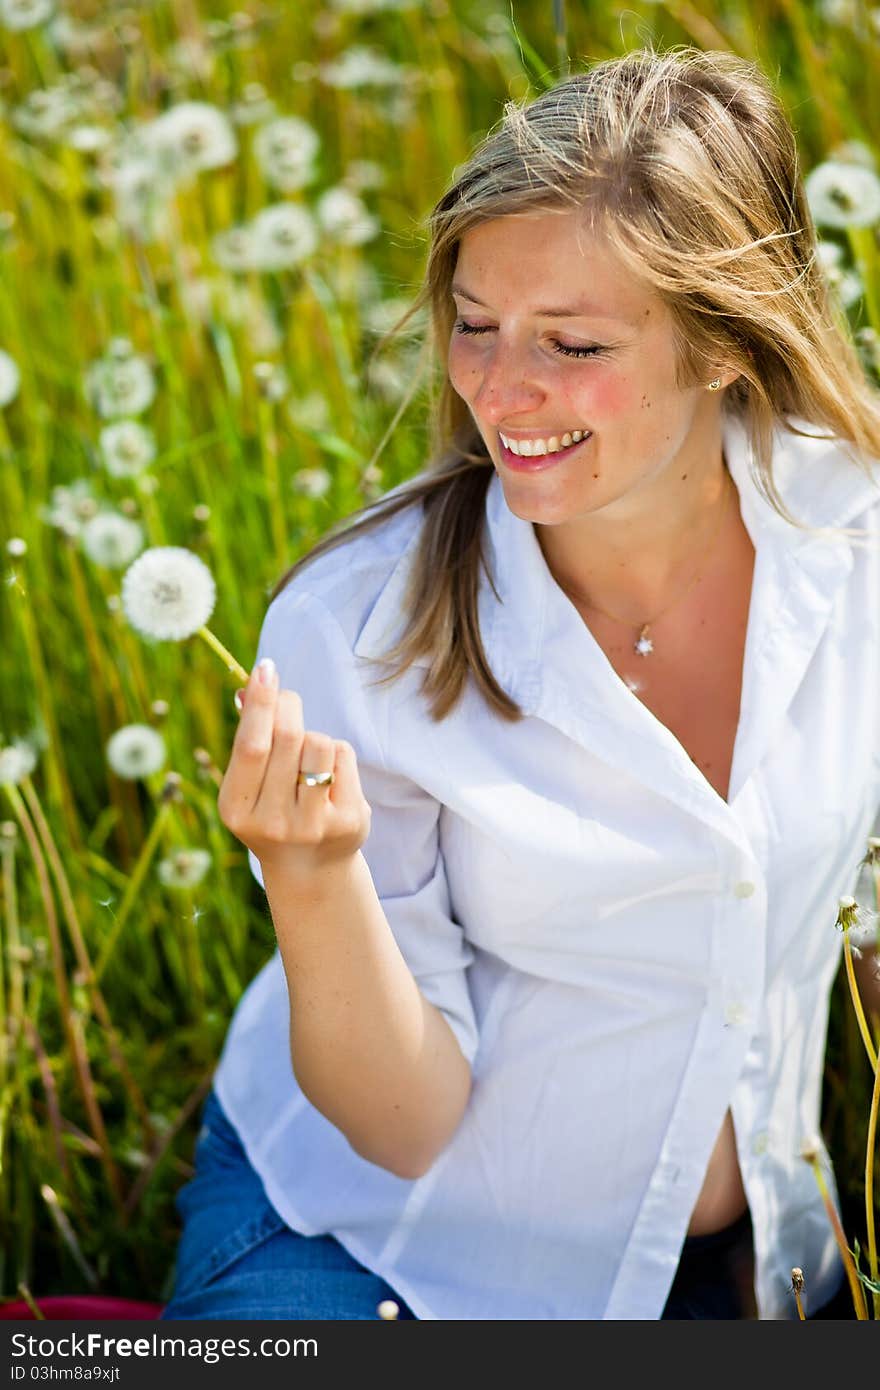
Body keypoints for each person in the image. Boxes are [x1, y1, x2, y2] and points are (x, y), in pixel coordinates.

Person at [160, 44, 880, 1321]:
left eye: (574, 341)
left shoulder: (853, 534)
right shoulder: (360, 628)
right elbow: (402, 1123)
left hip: (750, 1267)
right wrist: (313, 876)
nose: (499, 388)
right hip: (385, 1251)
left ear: (723, 344)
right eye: (475, 325)